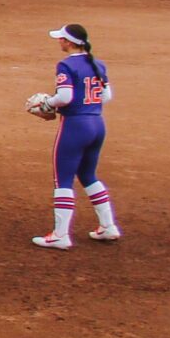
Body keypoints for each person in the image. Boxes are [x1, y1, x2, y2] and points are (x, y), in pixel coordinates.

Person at [31, 23, 120, 249]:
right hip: (97, 125)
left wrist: (47, 104)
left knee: (63, 179)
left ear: (69, 42)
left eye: (61, 39)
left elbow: (65, 96)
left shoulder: (66, 64)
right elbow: (106, 96)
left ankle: (60, 235)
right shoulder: (97, 63)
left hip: (75, 127)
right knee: (88, 174)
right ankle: (108, 226)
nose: (59, 42)